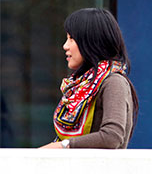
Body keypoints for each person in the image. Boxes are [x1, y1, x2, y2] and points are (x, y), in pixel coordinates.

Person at [41, 8, 139, 149]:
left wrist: (63, 146)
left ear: (91, 41)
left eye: (71, 39)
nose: (65, 46)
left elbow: (112, 137)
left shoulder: (114, 82)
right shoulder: (82, 84)